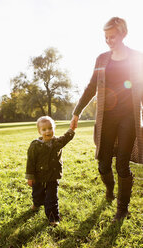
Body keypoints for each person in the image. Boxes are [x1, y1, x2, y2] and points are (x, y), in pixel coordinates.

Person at [70, 17, 143, 222]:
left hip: (128, 117)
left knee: (122, 164)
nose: (109, 40)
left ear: (123, 34)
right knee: (103, 163)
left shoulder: (137, 58)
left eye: (113, 36)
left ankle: (122, 209)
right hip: (107, 118)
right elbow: (91, 86)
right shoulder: (102, 59)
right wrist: (77, 112)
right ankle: (110, 190)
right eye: (106, 37)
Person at [25, 116, 75, 226]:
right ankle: (37, 203)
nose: (48, 131)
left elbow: (67, 137)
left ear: (54, 128)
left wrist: (72, 129)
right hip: (39, 177)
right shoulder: (35, 146)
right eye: (44, 129)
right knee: (37, 193)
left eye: (50, 128)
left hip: (53, 176)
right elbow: (30, 162)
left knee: (52, 199)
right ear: (39, 131)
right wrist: (30, 177)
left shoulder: (57, 142)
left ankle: (53, 218)